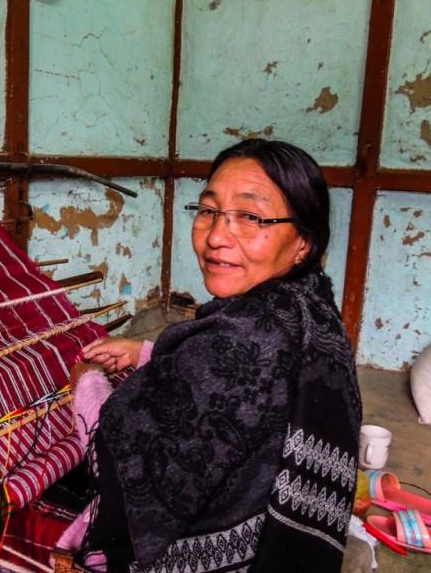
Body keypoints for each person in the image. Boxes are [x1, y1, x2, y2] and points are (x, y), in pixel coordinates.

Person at [57, 138, 362, 572]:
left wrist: (86, 381)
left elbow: (126, 464)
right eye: (208, 211)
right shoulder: (309, 308)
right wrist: (147, 351)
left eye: (251, 217)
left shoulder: (235, 342)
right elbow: (251, 384)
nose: (217, 236)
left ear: (303, 242)